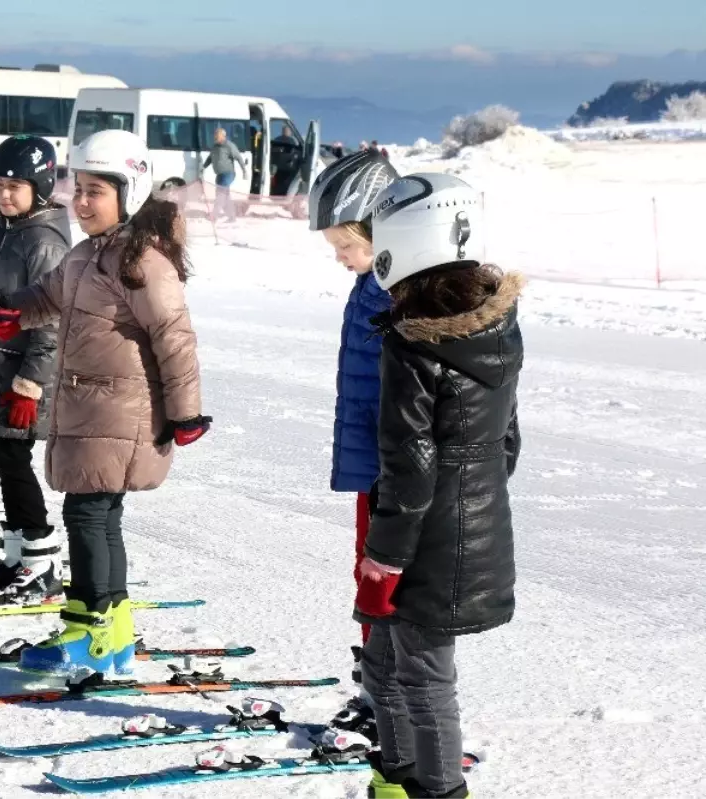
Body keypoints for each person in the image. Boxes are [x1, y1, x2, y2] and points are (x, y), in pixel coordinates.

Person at [0, 130, 209, 675]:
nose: (81, 203)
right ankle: (113, 631)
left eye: (96, 192)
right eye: (78, 189)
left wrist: (186, 413)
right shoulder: (88, 254)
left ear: (129, 194)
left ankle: (90, 630)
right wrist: (19, 310)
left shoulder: (143, 263)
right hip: (89, 409)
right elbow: (52, 295)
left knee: (88, 515)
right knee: (98, 517)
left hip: (121, 412)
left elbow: (175, 337)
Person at [357, 172, 523, 799]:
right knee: (385, 662)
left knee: (421, 674)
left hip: (425, 538)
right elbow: (507, 441)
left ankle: (440, 790)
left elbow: (411, 465)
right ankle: (398, 779)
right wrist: (475, 504)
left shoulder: (413, 345)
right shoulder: (497, 328)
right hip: (477, 525)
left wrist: (384, 557)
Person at [306, 149, 400, 739]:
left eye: (346, 247)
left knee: (389, 581)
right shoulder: (372, 285)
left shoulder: (398, 294)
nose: (341, 261)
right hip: (373, 463)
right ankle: (375, 687)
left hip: (399, 469)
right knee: (367, 573)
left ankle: (396, 696)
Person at [0, 135, 72, 607]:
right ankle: (14, 553)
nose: (4, 194)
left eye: (15, 186)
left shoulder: (44, 242)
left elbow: (52, 323)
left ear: (40, 186)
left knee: (15, 463)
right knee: (5, 461)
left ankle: (41, 559)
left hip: (21, 377)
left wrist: (30, 385)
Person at [201, 127, 246, 222]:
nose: (215, 136)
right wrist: (204, 167)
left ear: (223, 136)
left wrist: (244, 171)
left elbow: (239, 158)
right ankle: (232, 217)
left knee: (220, 195)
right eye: (215, 134)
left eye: (217, 134)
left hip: (228, 174)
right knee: (225, 196)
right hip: (219, 174)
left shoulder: (229, 146)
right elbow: (210, 158)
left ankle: (214, 216)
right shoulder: (215, 147)